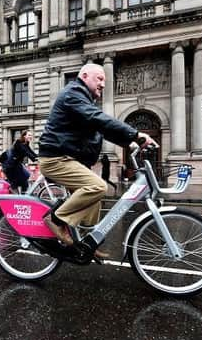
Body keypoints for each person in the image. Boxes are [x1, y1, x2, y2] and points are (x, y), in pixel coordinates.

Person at [39, 63, 155, 258]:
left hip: (69, 159)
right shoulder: (73, 93)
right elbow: (98, 119)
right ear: (84, 76)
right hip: (56, 159)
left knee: (93, 199)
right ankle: (55, 219)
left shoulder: (83, 101)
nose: (103, 84)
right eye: (99, 79)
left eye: (104, 81)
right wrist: (136, 134)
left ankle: (84, 243)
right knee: (97, 187)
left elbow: (102, 128)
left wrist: (130, 142)